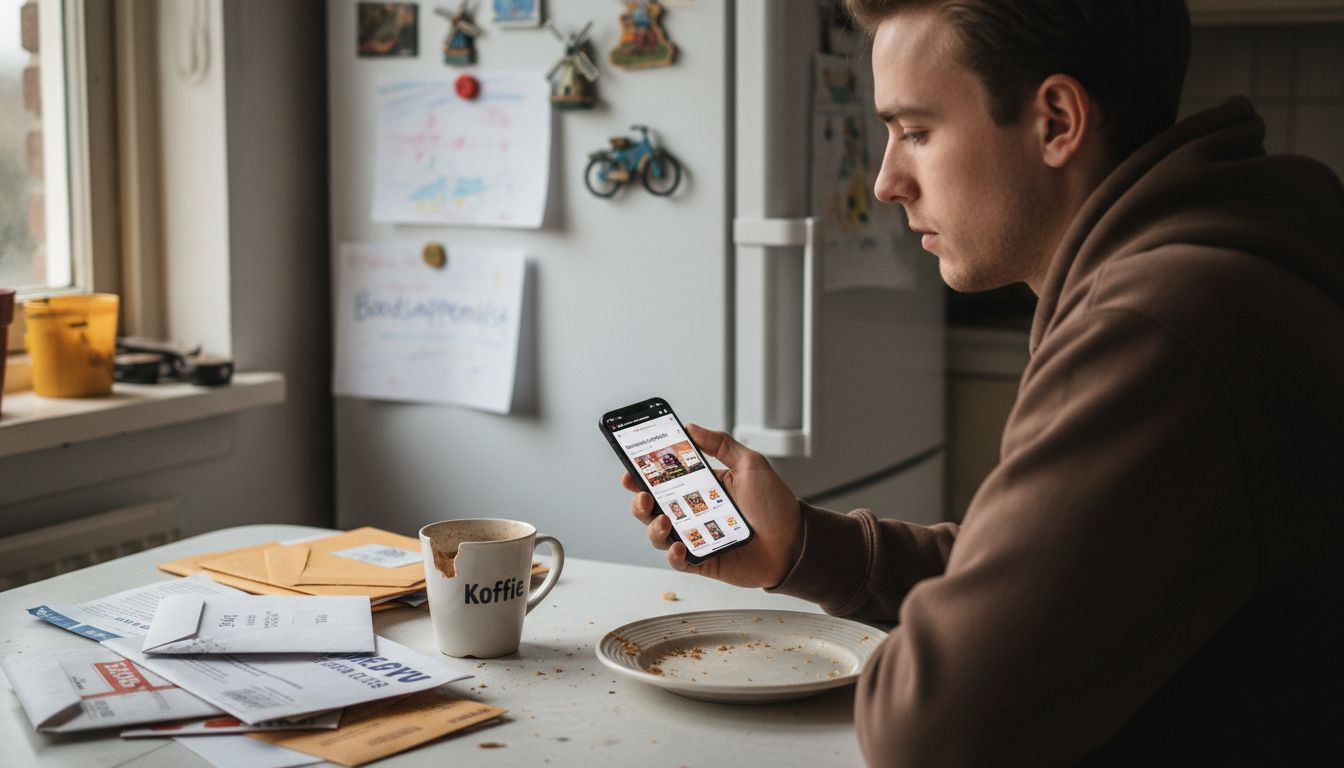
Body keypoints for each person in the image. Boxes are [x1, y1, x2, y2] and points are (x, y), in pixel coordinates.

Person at [623, 1, 1344, 765]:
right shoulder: (1210, 270)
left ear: (1057, 121)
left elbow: (936, 728)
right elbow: (1051, 585)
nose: (886, 181)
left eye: (916, 131)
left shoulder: (1157, 328)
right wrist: (801, 546)